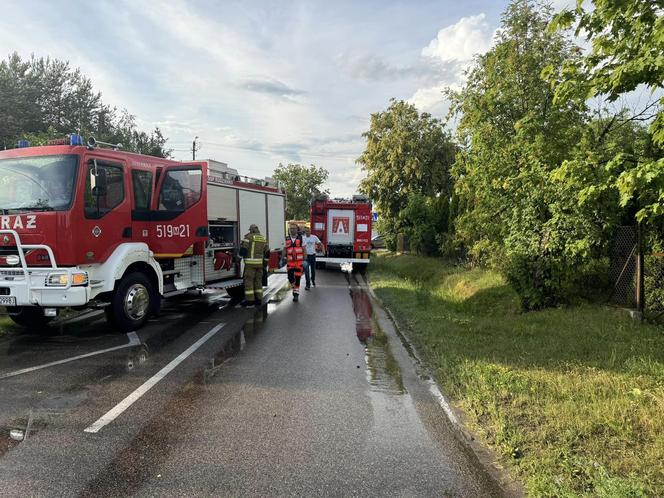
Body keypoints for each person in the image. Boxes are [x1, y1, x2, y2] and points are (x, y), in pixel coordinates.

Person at [238, 224, 269, 307]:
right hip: (259, 264)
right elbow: (267, 252)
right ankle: (258, 299)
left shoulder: (248, 237)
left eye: (250, 230)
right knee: (258, 282)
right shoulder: (263, 238)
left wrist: (238, 259)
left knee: (249, 282)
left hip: (250, 264)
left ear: (251, 230)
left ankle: (250, 300)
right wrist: (265, 263)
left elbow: (243, 249)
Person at [284, 223, 304, 302]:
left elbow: (304, 249)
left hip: (299, 262)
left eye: (294, 228)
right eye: (291, 228)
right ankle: (294, 288)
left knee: (298, 278)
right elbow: (284, 249)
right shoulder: (286, 238)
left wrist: (305, 260)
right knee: (290, 277)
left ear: (297, 229)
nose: (292, 230)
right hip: (290, 262)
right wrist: (282, 258)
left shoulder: (301, 238)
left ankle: (296, 294)